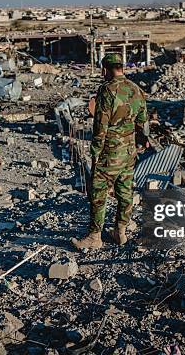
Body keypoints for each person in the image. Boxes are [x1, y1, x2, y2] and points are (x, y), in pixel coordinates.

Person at [72, 53, 147, 250]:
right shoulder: (136, 89)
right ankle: (120, 232)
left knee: (98, 193)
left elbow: (100, 126)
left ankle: (95, 237)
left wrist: (95, 152)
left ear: (105, 69)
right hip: (129, 152)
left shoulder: (107, 90)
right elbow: (142, 122)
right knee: (125, 191)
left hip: (109, 152)